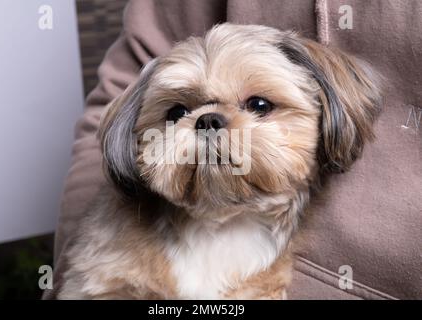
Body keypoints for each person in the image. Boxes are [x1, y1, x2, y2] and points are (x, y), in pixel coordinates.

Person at [46, 0, 422, 299]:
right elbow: (126, 78)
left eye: (259, 106)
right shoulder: (112, 269)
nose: (209, 125)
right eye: (178, 112)